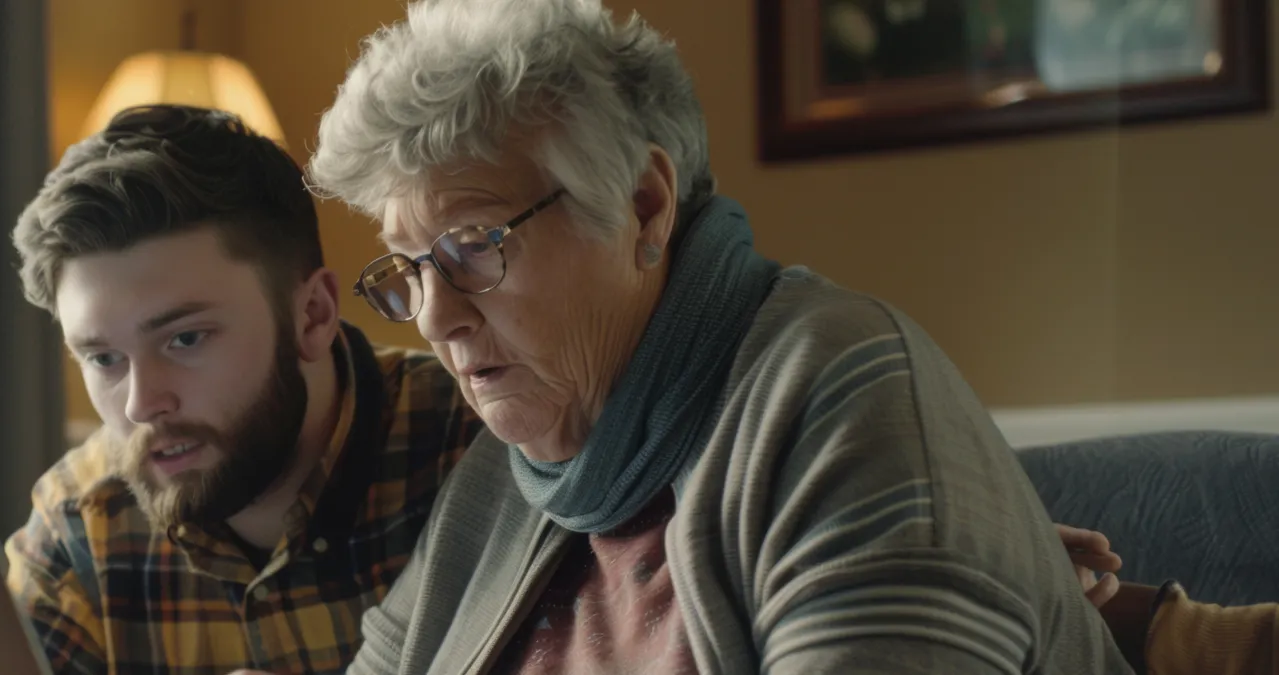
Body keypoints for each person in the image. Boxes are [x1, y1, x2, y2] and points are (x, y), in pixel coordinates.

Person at [306, 0, 1136, 672]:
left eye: (475, 245)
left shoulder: (843, 401)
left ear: (642, 207)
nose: (434, 317)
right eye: (407, 268)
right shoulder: (504, 483)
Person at [4, 104, 483, 675]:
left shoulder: (476, 447)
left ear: (312, 315)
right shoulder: (79, 530)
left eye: (185, 339)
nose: (140, 404)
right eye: (103, 357)